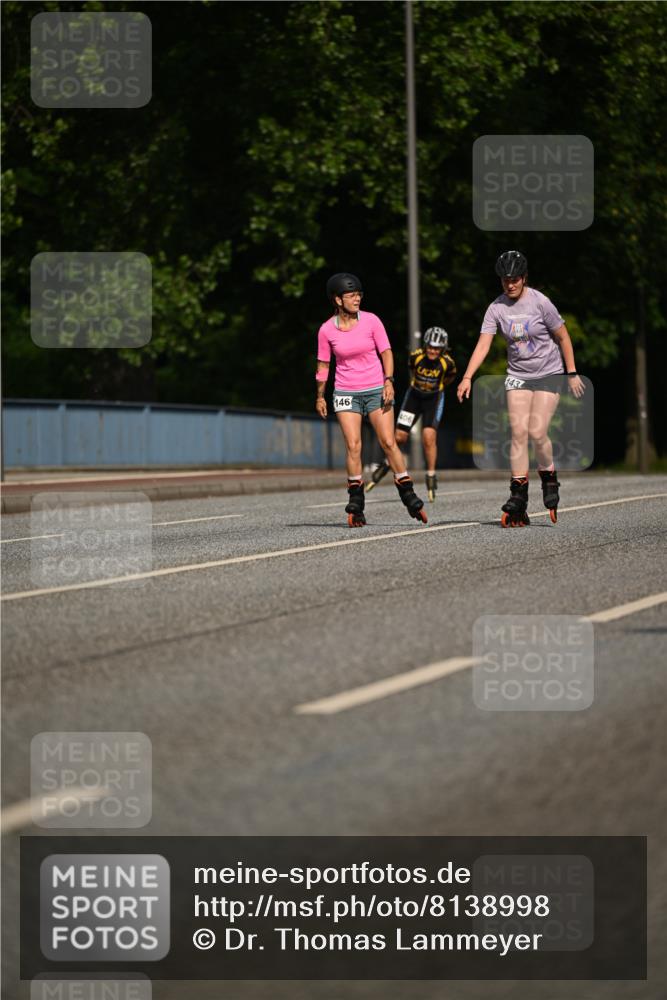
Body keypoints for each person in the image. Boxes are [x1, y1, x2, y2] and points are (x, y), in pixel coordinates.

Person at [457, 250, 585, 526]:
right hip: (518, 374)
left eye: (515, 279)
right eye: (505, 280)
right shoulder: (496, 308)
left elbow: (563, 338)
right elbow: (483, 344)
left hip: (549, 373)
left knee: (537, 431)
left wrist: (572, 372)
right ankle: (518, 497)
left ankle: (549, 477)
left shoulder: (541, 303)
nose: (510, 284)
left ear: (524, 278)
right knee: (517, 432)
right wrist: (467, 376)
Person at [315, 273, 427, 527]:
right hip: (345, 392)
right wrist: (320, 396)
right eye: (352, 295)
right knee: (354, 446)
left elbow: (386, 352)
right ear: (337, 299)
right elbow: (323, 365)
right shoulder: (326, 330)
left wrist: (389, 381)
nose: (357, 299)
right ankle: (356, 501)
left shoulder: (372, 321)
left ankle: (407, 493)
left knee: (388, 441)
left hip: (376, 388)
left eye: (359, 295)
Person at [366, 326, 457, 501]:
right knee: (399, 437)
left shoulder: (448, 363)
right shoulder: (416, 356)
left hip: (434, 399)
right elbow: (411, 370)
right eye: (430, 346)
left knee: (428, 437)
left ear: (443, 349)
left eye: (437, 348)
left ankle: (430, 475)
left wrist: (435, 387)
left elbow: (450, 377)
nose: (432, 351)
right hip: (414, 397)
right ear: (425, 345)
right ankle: (387, 463)